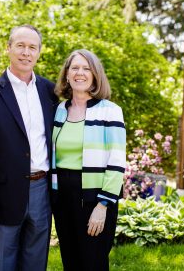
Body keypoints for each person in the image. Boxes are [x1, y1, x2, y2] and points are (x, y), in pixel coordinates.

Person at [0, 24, 58, 270]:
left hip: (42, 191)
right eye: (20, 45)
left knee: (35, 263)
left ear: (39, 52)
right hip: (3, 195)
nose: (26, 52)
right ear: (8, 48)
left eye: (32, 47)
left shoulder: (50, 92)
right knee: (1, 264)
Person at [51, 49, 126, 271]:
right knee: (70, 261)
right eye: (74, 68)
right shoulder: (59, 111)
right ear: (66, 74)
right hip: (62, 196)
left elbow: (116, 161)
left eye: (86, 68)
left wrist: (103, 205)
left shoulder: (110, 111)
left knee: (93, 262)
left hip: (95, 198)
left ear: (95, 75)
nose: (80, 73)